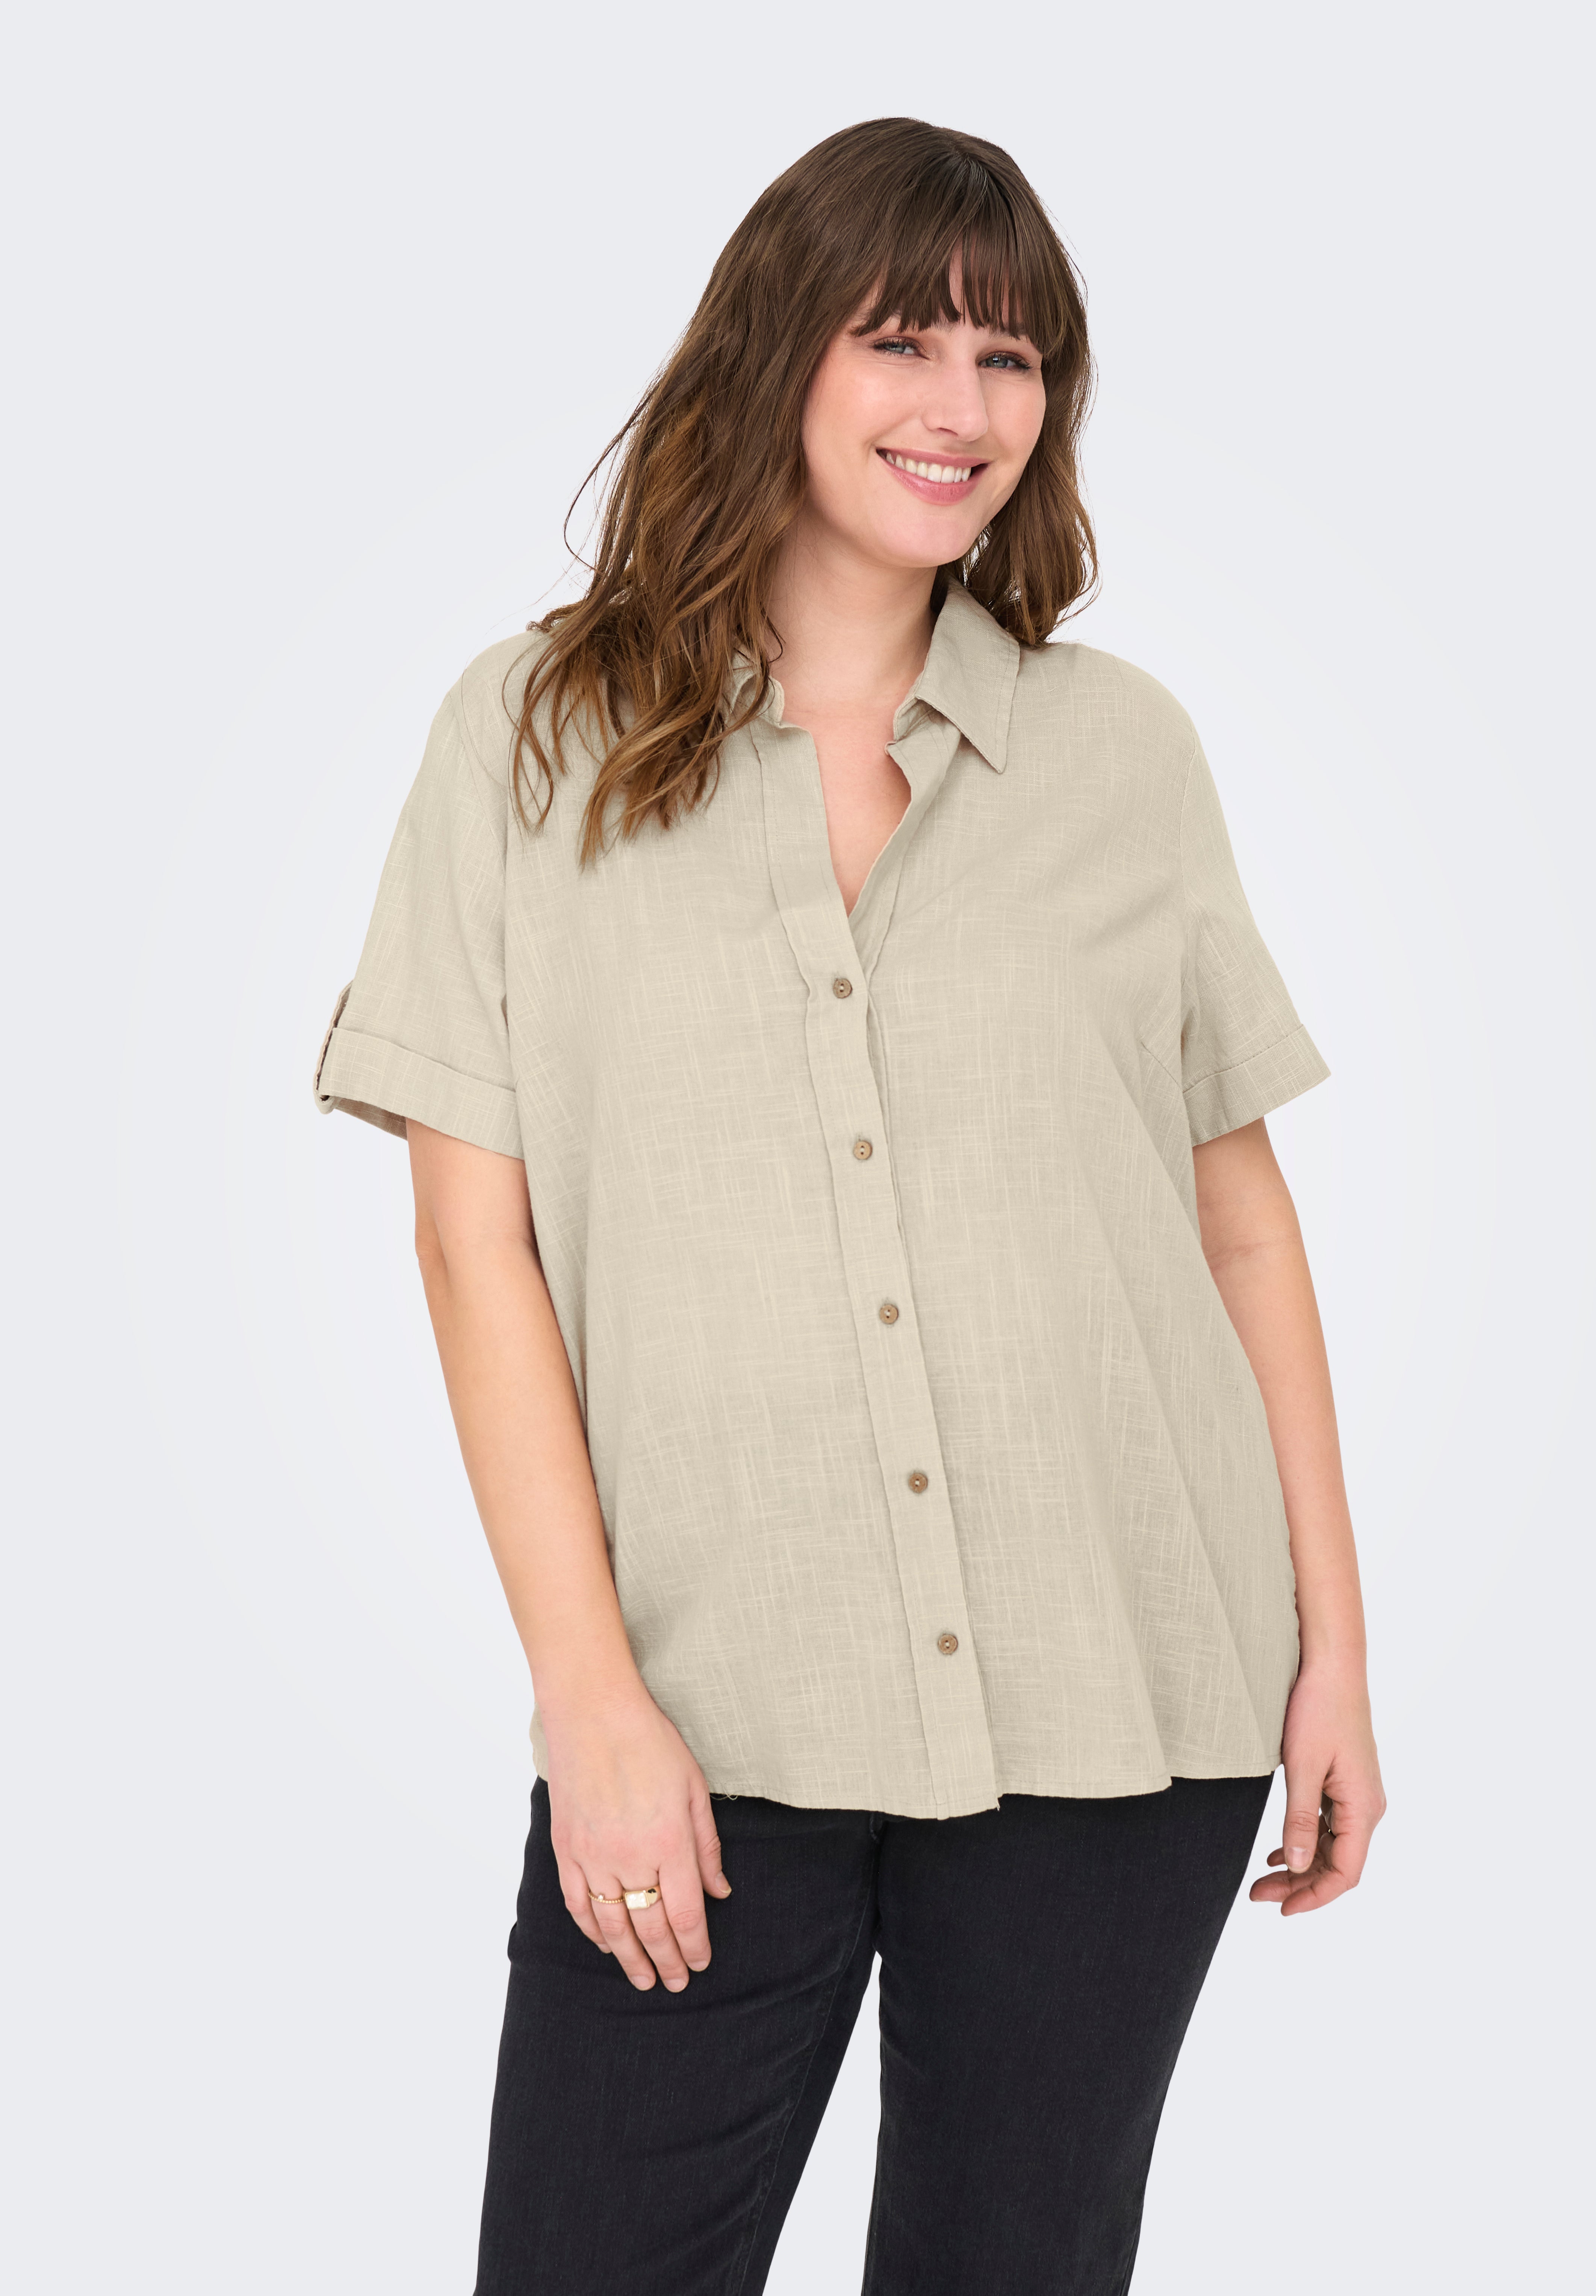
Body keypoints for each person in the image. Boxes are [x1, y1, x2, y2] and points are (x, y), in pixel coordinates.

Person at [315, 115, 1386, 2296]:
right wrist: (590, 1705)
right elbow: (472, 1246)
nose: (960, 406)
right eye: (903, 339)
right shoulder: (531, 735)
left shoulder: (1122, 756)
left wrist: (1334, 1657)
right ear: (776, 352)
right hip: (713, 1710)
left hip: (1125, 1695)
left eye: (1013, 357)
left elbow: (1239, 1226)